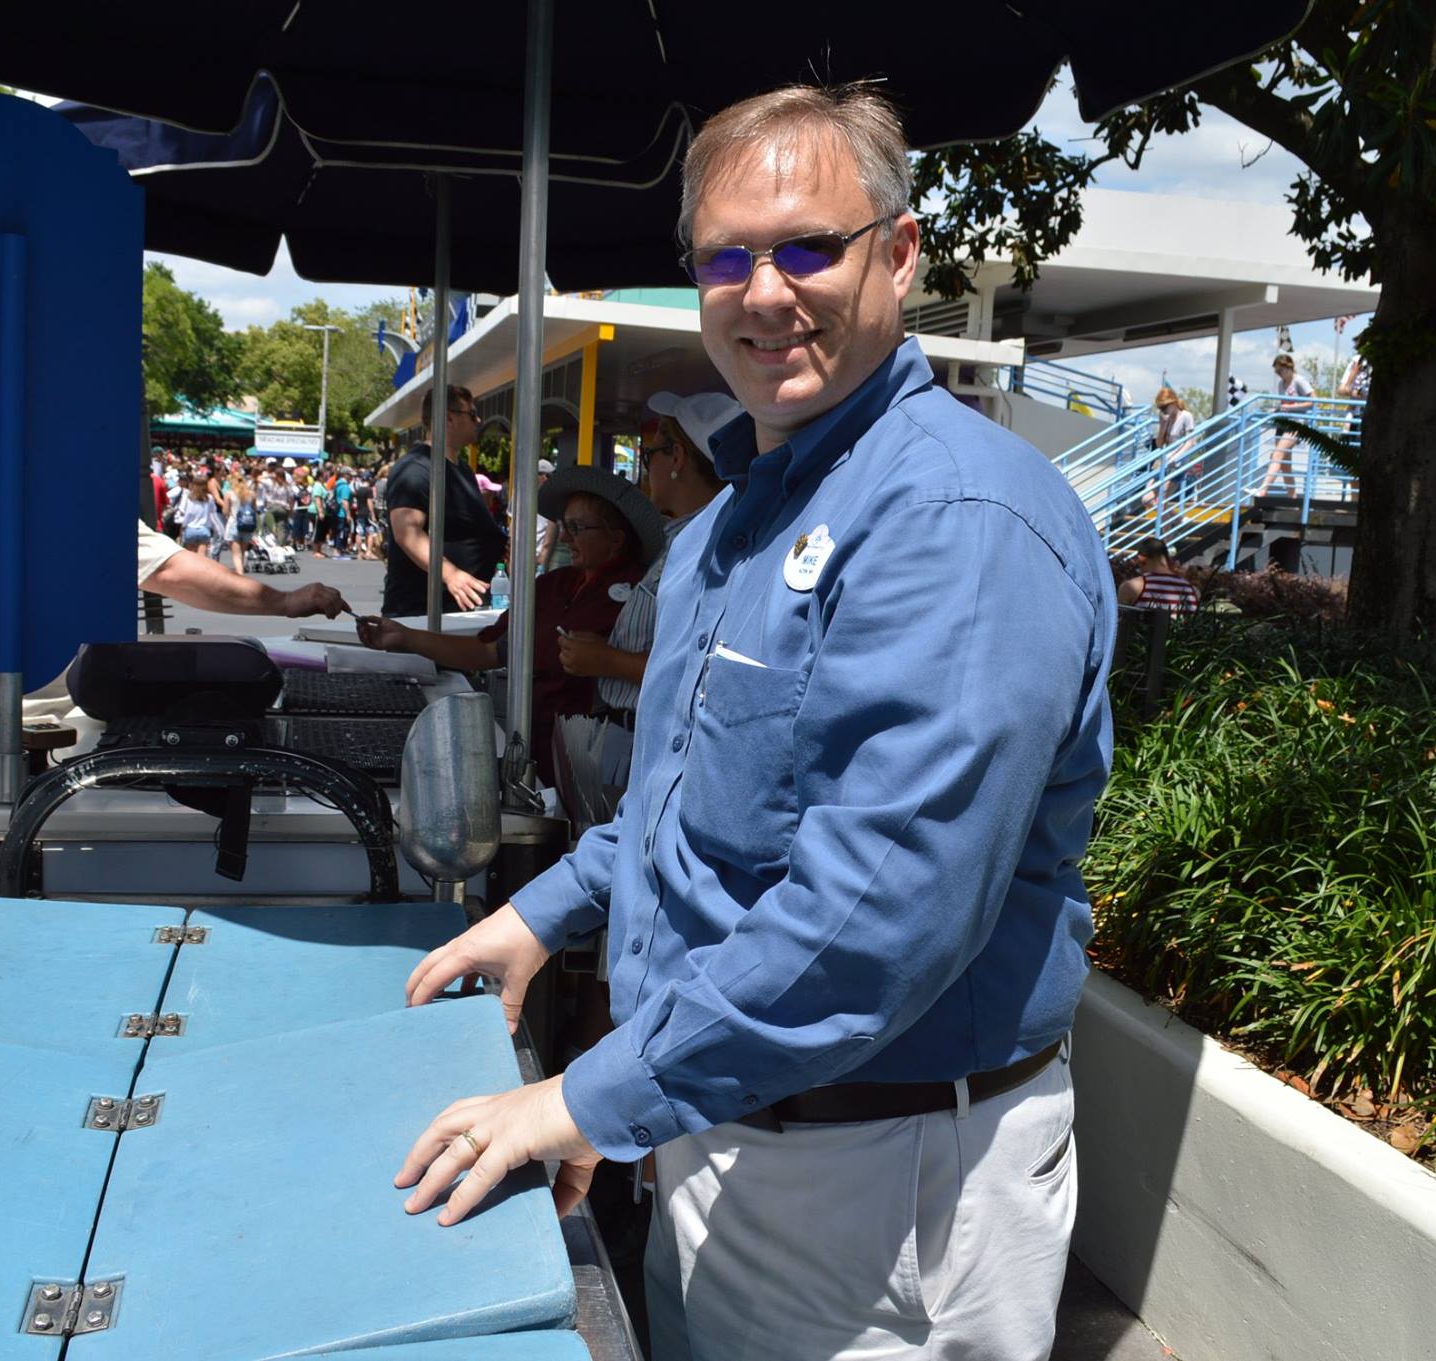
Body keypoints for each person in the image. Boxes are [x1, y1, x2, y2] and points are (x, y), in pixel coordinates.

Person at [392, 84, 1114, 1361]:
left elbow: (877, 915)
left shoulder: (951, 520)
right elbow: (689, 804)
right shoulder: (739, 519)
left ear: (894, 253)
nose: (763, 289)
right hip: (727, 1119)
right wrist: (538, 915)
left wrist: (588, 1098)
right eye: (727, 256)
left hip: (883, 1172)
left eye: (805, 247)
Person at [0, 520, 350, 796]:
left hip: (17, 713)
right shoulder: (80, 498)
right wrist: (286, 601)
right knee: (13, 872)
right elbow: (171, 572)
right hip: (3, 730)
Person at [357, 470, 661, 784]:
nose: (566, 538)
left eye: (577, 528)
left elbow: (674, 672)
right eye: (565, 526)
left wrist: (607, 660)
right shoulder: (552, 585)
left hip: (606, 764)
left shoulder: (646, 595)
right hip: (537, 754)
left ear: (617, 538)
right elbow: (489, 649)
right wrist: (405, 638)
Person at [557, 393, 735, 723]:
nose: (646, 466)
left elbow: (699, 665)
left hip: (655, 729)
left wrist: (606, 659)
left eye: (648, 454)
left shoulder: (702, 545)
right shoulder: (687, 538)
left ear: (677, 458)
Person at [379, 385, 507, 616]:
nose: (478, 421)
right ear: (448, 417)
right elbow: (406, 533)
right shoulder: (416, 468)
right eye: (472, 414)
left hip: (458, 611)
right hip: (421, 614)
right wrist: (451, 574)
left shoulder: (463, 470)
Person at [1258, 353, 1315, 496]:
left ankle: (1263, 490)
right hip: (1283, 423)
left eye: (1280, 370)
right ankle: (1292, 497)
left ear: (1289, 367)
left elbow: (1314, 401)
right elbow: (1284, 404)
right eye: (1277, 372)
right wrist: (1277, 409)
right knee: (1285, 464)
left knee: (1276, 455)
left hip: (1296, 424)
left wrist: (1293, 406)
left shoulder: (1299, 381)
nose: (1279, 374)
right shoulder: (1280, 384)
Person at [1143, 387, 1198, 513]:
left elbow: (1190, 441)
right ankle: (1177, 521)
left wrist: (1175, 457)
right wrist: (1162, 426)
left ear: (1173, 403)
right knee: (1147, 499)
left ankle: (1175, 523)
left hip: (1177, 465)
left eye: (1164, 407)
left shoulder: (1186, 416)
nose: (1163, 411)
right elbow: (1159, 444)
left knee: (1160, 500)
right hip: (1164, 464)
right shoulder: (1166, 419)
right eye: (1160, 408)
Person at [1116, 537, 1201, 614]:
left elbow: (1118, 625)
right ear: (1167, 558)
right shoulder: (1192, 590)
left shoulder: (1131, 587)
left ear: (1141, 559)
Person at [174, 469, 222, 556]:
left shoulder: (188, 497)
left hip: (190, 529)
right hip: (204, 529)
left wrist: (182, 527)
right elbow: (213, 513)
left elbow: (186, 514)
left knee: (190, 555)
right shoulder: (209, 498)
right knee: (202, 555)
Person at [226, 474, 259, 576]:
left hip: (234, 523)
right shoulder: (251, 494)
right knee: (242, 552)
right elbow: (254, 509)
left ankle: (240, 574)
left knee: (236, 554)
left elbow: (225, 511)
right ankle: (241, 571)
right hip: (248, 524)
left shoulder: (230, 494)